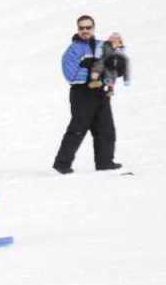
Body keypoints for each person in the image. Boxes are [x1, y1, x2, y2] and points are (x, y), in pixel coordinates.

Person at [52, 15, 127, 174]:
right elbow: (70, 74)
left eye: (88, 27)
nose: (85, 31)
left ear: (93, 28)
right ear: (77, 29)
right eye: (82, 28)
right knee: (78, 128)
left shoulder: (102, 46)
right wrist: (90, 72)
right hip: (82, 93)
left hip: (101, 92)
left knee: (106, 128)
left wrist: (116, 66)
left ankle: (105, 162)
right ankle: (62, 164)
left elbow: (115, 63)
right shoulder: (73, 50)